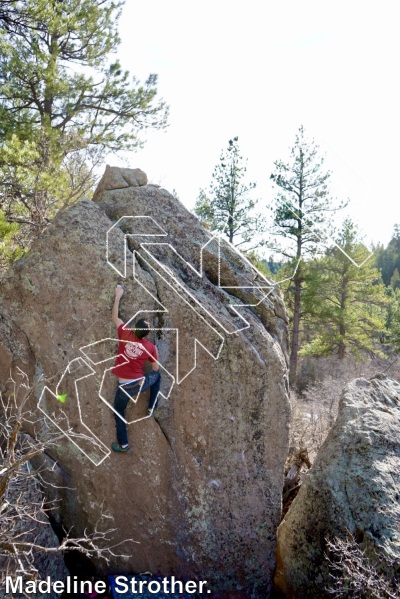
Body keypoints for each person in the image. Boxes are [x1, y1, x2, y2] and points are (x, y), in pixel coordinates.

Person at [110, 284, 161, 453]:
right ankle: (151, 407)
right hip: (139, 385)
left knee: (119, 412)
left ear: (134, 328)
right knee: (157, 376)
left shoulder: (125, 333)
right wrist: (153, 353)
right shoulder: (150, 347)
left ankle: (123, 445)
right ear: (146, 334)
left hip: (124, 388)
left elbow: (115, 316)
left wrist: (118, 295)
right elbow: (155, 368)